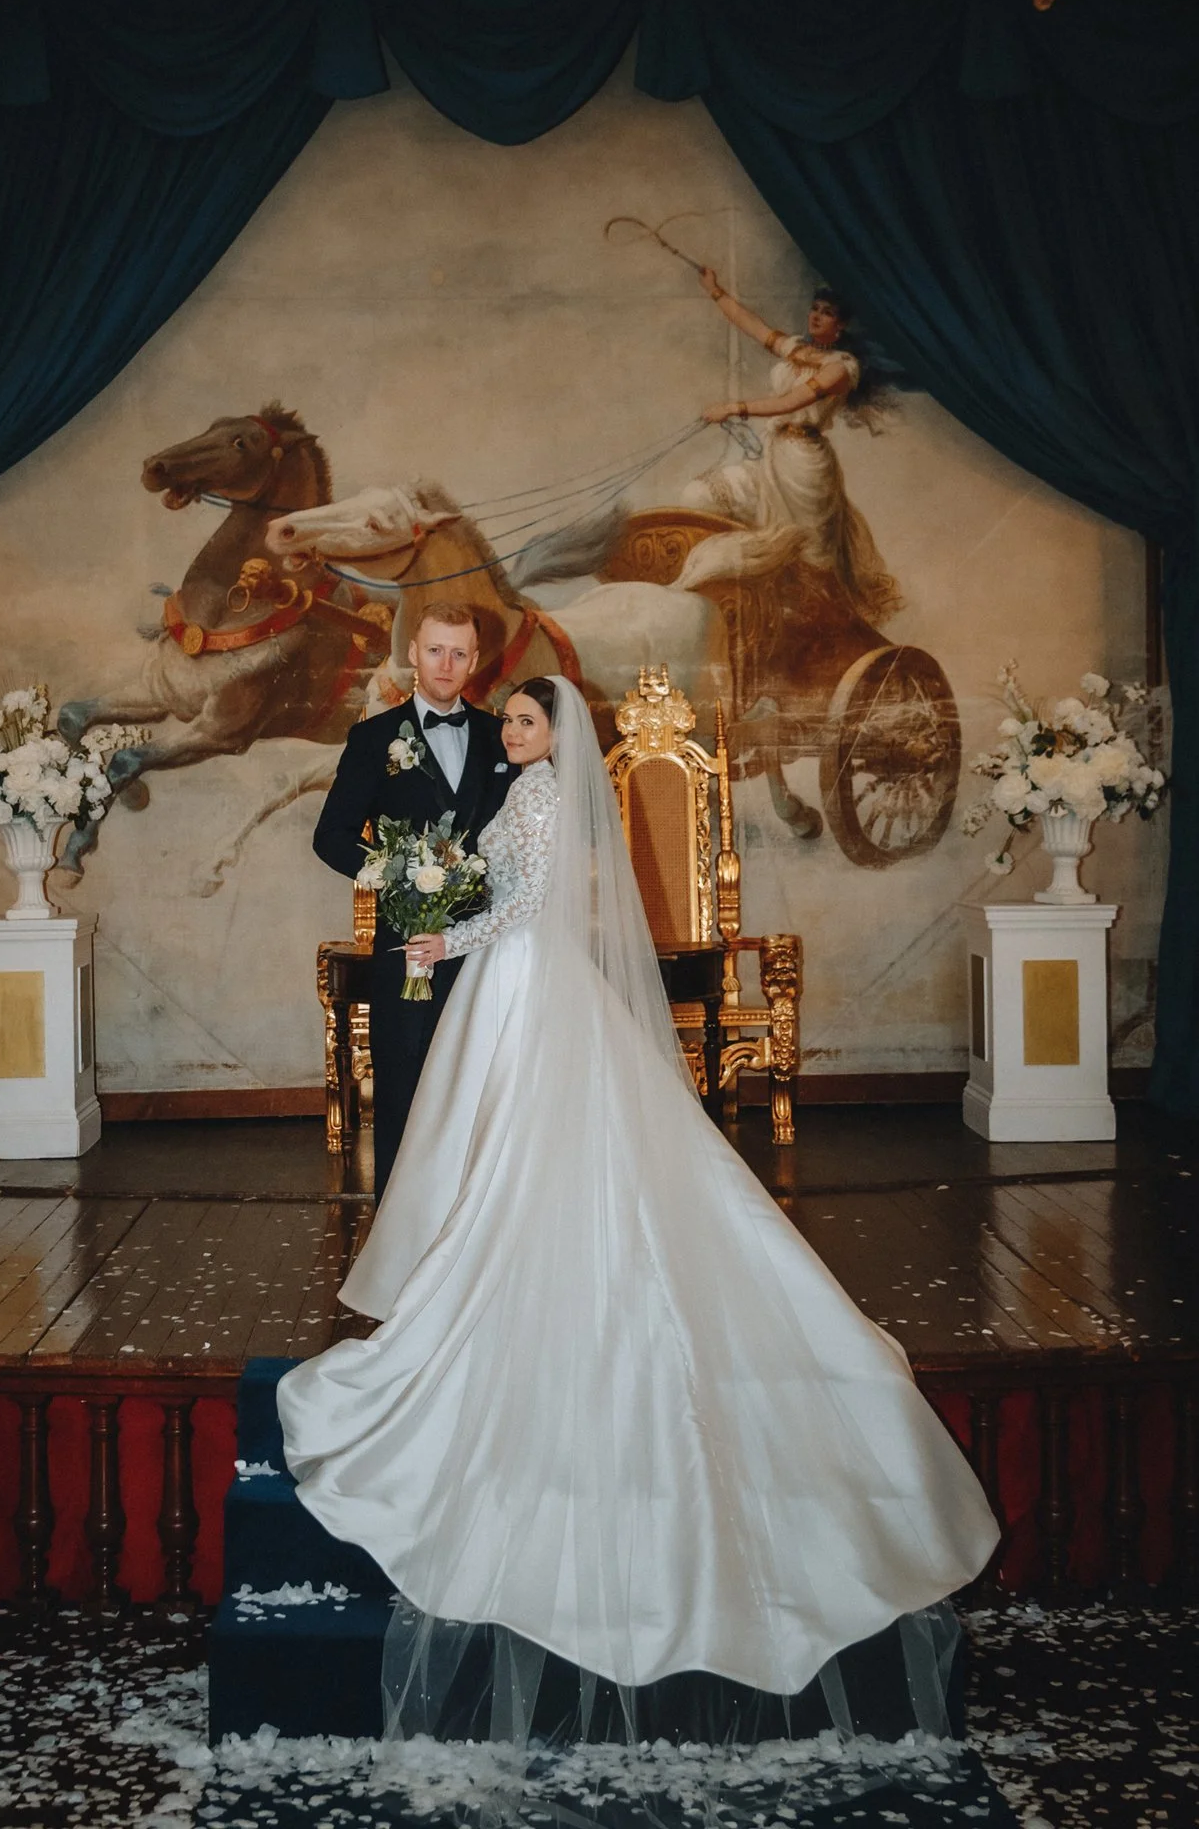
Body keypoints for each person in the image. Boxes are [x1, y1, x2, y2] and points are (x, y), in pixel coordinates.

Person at [279, 674, 998, 1748]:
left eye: (522, 720)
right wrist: (447, 911)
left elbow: (517, 906)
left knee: (515, 1146)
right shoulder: (550, 792)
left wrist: (442, 942)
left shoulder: (533, 793)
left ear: (548, 730)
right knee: (539, 1145)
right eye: (510, 721)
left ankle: (513, 1281)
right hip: (535, 979)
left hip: (519, 980)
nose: (509, 730)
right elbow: (513, 892)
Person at [311, 600, 517, 1202]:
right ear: (412, 655)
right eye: (435, 650)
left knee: (484, 1082)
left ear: (475, 660)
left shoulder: (499, 734)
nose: (446, 664)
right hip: (407, 947)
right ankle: (399, 1228)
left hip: (488, 945)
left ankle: (480, 1218)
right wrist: (395, 874)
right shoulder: (374, 738)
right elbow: (330, 837)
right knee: (404, 1083)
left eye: (459, 653)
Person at [678, 274, 901, 625]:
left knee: (810, 560)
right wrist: (715, 290)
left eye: (826, 312)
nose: (815, 316)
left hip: (805, 467)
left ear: (840, 326)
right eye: (814, 309)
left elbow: (794, 400)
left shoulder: (842, 368)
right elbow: (752, 325)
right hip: (771, 455)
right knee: (699, 496)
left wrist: (734, 407)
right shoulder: (799, 349)